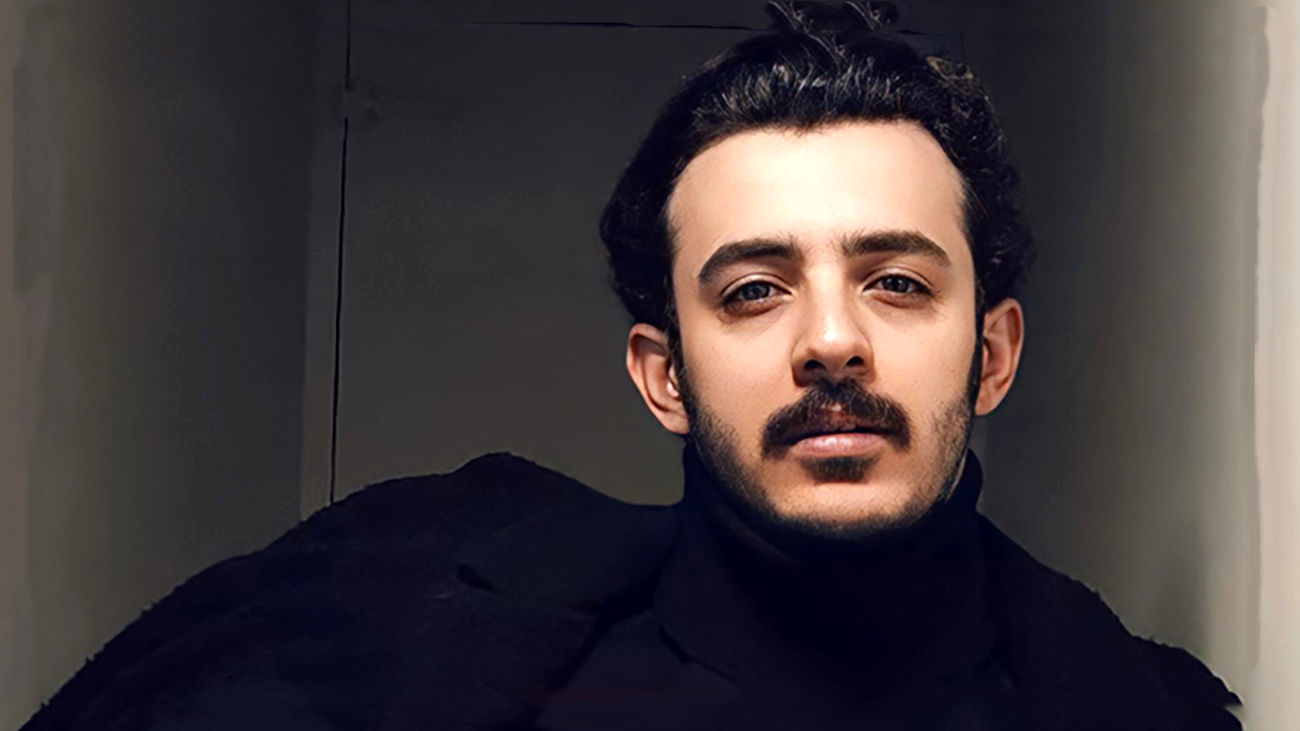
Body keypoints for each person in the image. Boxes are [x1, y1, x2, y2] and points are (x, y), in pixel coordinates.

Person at [23, 2, 1240, 729]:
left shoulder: (1125, 707)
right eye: (753, 289)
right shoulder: (442, 662)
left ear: (993, 352)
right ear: (662, 375)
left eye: (897, 281)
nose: (830, 338)